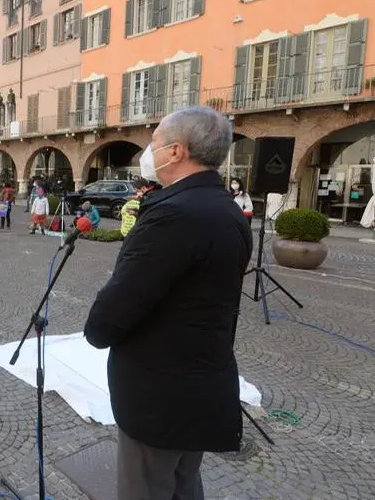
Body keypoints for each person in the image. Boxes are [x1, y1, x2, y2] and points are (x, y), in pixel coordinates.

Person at [83, 106, 253, 500]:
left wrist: (97, 328)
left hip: (159, 396)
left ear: (176, 152)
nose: (149, 150)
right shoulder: (227, 209)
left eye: (154, 141)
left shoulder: (174, 214)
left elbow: (118, 306)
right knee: (183, 484)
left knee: (148, 488)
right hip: (198, 385)